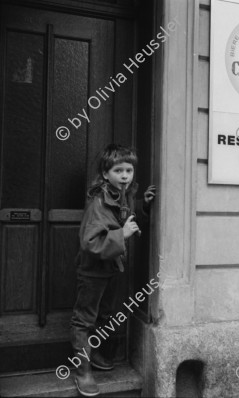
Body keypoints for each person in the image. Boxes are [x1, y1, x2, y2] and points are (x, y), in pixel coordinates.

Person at [70, 144, 156, 396]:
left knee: (105, 314)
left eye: (129, 170)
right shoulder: (98, 202)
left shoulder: (122, 194)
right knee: (83, 320)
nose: (125, 175)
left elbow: (125, 216)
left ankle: (95, 352)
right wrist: (123, 234)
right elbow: (90, 243)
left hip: (111, 269)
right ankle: (82, 370)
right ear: (106, 174)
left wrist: (144, 206)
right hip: (92, 272)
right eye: (118, 170)